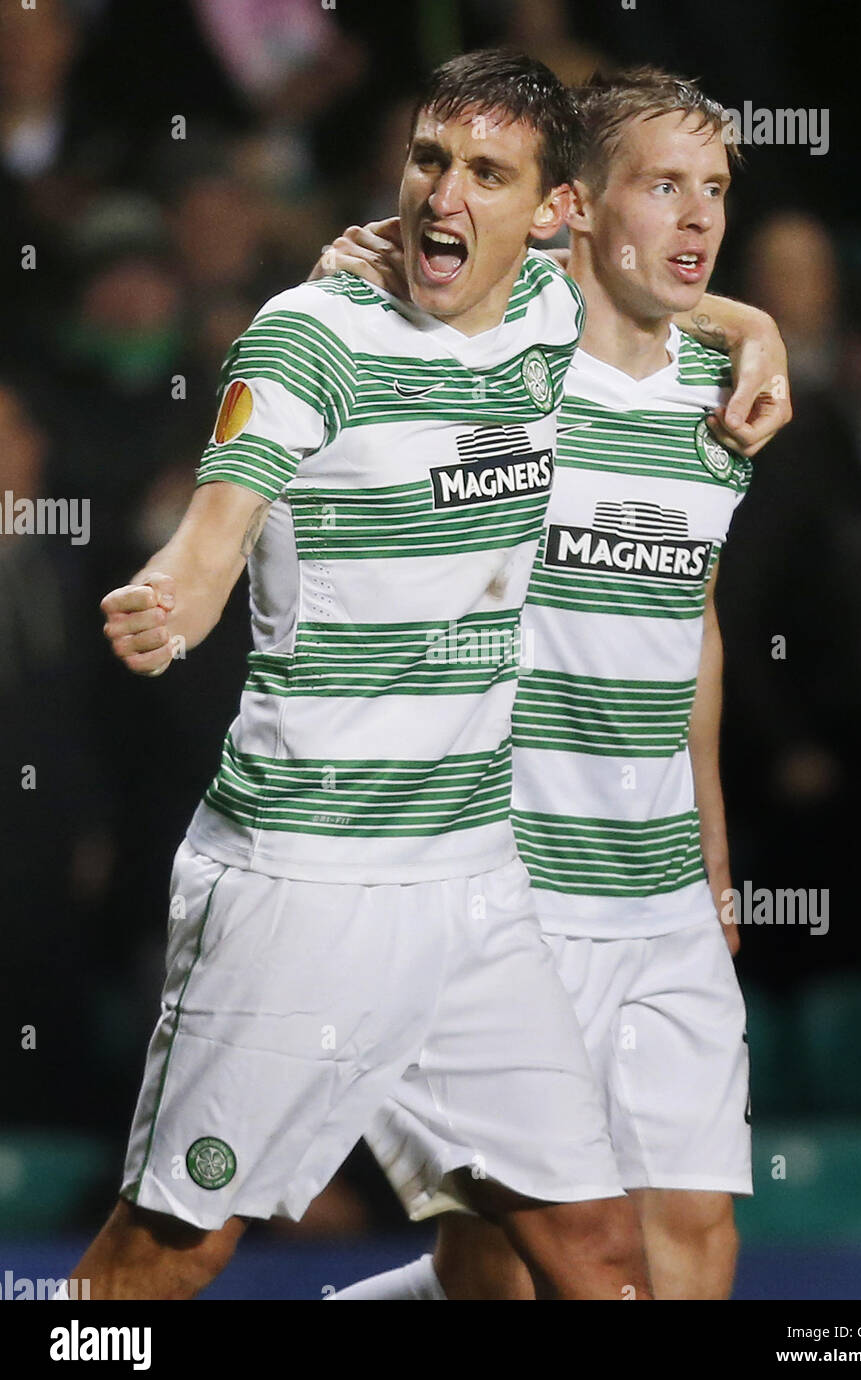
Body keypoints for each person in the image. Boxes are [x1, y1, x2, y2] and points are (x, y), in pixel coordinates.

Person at [68, 49, 654, 1302]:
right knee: (161, 1263)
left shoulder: (554, 315)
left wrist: (757, 332)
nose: (443, 195)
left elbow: (668, 300)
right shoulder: (312, 332)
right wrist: (179, 594)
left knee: (586, 1251)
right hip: (302, 880)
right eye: (430, 160)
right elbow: (221, 516)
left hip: (474, 884)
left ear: (552, 213)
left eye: (487, 174)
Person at [323, 65, 779, 1301]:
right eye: (662, 187)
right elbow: (380, 282)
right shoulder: (495, 363)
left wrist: (715, 858)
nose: (696, 218)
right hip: (498, 889)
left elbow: (695, 624)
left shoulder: (721, 400)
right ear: (577, 206)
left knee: (689, 1237)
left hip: (659, 898)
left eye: (716, 191)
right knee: (516, 1266)